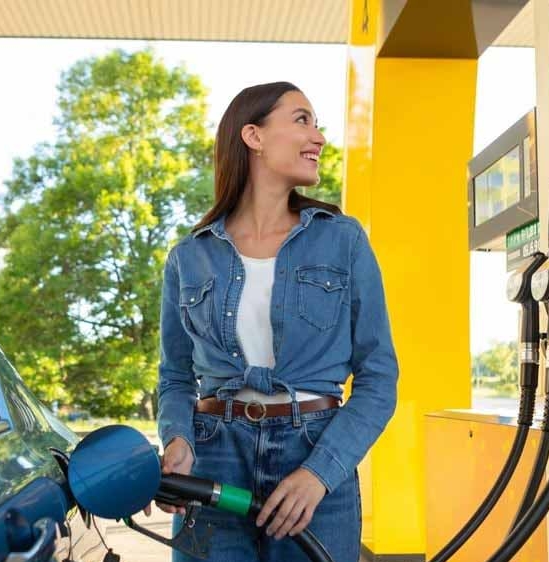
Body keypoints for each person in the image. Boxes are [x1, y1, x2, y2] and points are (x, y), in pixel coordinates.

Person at [151, 82, 399, 562]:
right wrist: (177, 442)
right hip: (213, 458)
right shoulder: (189, 257)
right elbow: (176, 377)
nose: (319, 137)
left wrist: (320, 473)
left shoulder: (343, 241)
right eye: (302, 120)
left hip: (312, 451)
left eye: (316, 123)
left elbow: (379, 377)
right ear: (253, 135)